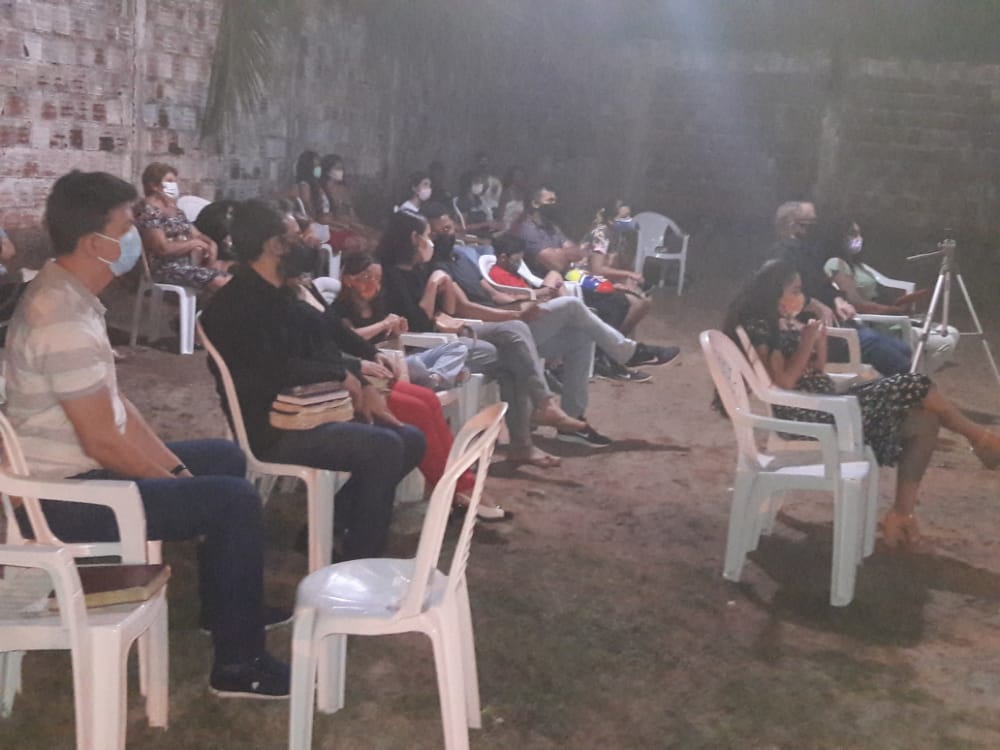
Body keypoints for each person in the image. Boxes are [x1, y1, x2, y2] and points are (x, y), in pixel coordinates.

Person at [5, 171, 288, 698]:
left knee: (223, 459)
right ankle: (238, 664)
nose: (135, 237)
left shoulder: (73, 297)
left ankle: (224, 610)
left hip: (83, 468)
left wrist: (175, 472)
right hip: (61, 497)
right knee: (232, 501)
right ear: (94, 243)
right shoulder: (59, 317)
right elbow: (102, 442)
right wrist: (173, 484)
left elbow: (120, 411)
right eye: (125, 227)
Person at [200, 200, 425, 562]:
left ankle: (331, 526)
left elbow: (330, 329)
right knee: (384, 447)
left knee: (410, 439)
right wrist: (344, 375)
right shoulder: (236, 305)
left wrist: (366, 366)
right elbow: (275, 369)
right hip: (275, 426)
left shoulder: (281, 293)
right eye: (296, 238)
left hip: (313, 405)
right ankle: (361, 561)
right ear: (274, 245)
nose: (308, 245)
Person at [722, 258, 1000, 551]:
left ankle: (901, 514)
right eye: (795, 290)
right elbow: (784, 383)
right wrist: (805, 342)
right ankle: (983, 439)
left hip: (825, 402)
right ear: (774, 292)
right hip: (814, 414)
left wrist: (818, 341)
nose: (801, 296)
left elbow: (815, 370)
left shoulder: (779, 321)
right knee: (914, 384)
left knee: (925, 421)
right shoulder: (761, 327)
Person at [284, 248, 507, 521]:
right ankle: (458, 488)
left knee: (427, 399)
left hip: (355, 371)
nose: (302, 242)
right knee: (416, 413)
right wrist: (355, 365)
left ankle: (459, 483)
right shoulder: (280, 300)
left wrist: (370, 355)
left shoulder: (305, 289)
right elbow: (310, 351)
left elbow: (337, 336)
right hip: (328, 385)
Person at [425, 204, 682, 438]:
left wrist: (528, 299)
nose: (448, 234)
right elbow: (464, 309)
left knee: (581, 336)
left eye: (449, 228)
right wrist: (516, 314)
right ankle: (627, 353)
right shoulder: (437, 268)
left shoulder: (461, 258)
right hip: (492, 330)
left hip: (512, 320)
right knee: (572, 305)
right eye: (440, 231)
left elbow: (494, 294)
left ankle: (572, 420)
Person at [376, 209, 586, 464]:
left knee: (515, 330)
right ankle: (529, 433)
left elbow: (450, 309)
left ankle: (543, 407)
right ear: (413, 238)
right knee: (513, 359)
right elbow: (417, 324)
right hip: (426, 349)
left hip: (448, 332)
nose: (431, 241)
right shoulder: (389, 275)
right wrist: (432, 286)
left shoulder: (422, 268)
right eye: (428, 236)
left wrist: (445, 286)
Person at [771, 201, 911, 376]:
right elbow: (781, 295)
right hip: (822, 333)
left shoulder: (806, 253)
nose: (814, 228)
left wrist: (837, 299)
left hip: (840, 323)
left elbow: (822, 285)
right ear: (792, 225)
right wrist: (815, 304)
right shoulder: (782, 256)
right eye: (809, 223)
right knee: (898, 362)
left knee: (903, 349)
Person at [821, 218, 957, 371]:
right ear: (839, 237)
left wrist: (899, 304)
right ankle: (915, 375)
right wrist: (894, 311)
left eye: (859, 233)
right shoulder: (836, 263)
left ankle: (914, 373)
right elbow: (856, 303)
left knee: (952, 333)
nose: (858, 238)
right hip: (874, 321)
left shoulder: (857, 264)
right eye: (852, 233)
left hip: (885, 315)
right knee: (945, 342)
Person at [516, 187, 651, 337]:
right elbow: (558, 264)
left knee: (633, 298)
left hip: (572, 274)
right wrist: (565, 254)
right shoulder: (527, 230)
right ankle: (607, 345)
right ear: (535, 203)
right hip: (556, 280)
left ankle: (614, 343)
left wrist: (562, 253)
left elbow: (577, 252)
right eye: (550, 201)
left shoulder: (552, 227)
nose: (555, 205)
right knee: (618, 300)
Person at [133, 162, 230, 291]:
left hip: (190, 264)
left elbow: (197, 234)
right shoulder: (148, 211)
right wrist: (194, 243)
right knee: (222, 282)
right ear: (154, 186)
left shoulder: (176, 210)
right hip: (166, 269)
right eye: (169, 181)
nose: (174, 185)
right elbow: (162, 248)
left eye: (175, 181)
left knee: (233, 276)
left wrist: (211, 243)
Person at [318, 153, 379, 254]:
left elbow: (351, 212)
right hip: (336, 225)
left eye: (342, 168)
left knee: (376, 236)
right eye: (337, 168)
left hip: (349, 223)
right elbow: (324, 218)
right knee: (365, 242)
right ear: (328, 171)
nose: (341, 171)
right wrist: (347, 225)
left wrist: (359, 225)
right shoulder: (322, 190)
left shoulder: (343, 190)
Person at [498, 165, 529, 231]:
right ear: (513, 179)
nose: (521, 179)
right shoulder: (506, 194)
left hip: (521, 227)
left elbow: (525, 215)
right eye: (518, 176)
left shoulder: (525, 195)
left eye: (523, 177)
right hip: (507, 229)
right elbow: (501, 216)